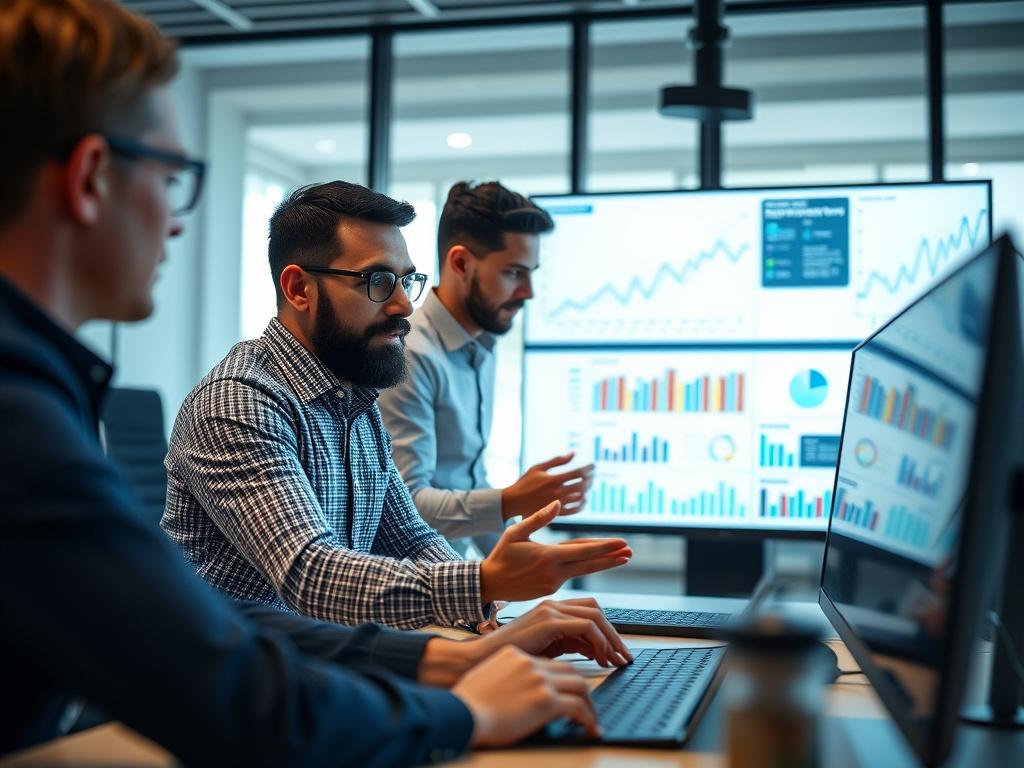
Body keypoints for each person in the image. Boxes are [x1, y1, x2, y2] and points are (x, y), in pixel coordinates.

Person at [0, 1, 633, 763]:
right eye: (173, 176)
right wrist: (465, 691)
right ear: (93, 177)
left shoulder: (354, 395)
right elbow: (295, 586)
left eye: (406, 280)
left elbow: (235, 615)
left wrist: (473, 631)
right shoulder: (202, 404)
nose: (176, 219)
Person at [161, 180, 632, 630]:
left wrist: (484, 614)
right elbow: (309, 574)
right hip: (218, 690)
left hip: (316, 669)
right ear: (299, 289)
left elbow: (408, 536)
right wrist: (481, 581)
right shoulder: (238, 402)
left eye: (408, 282)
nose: (404, 305)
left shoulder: (356, 399)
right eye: (379, 281)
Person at [379, 181, 594, 554]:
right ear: (460, 263)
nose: (529, 291)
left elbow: (470, 482)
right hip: (406, 596)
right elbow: (404, 506)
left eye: (532, 272)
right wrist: (509, 501)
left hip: (454, 586)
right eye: (514, 272)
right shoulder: (411, 355)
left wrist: (530, 559)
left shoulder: (481, 344)